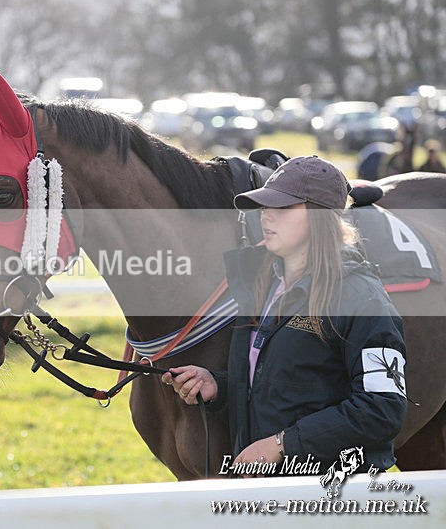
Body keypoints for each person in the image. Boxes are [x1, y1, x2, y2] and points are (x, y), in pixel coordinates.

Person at [162, 156, 407, 476]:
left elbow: (382, 408)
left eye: (282, 207)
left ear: (319, 217)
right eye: (265, 207)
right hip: (268, 495)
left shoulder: (362, 297)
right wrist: (220, 387)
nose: (266, 217)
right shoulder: (264, 286)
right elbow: (287, 385)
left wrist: (281, 445)